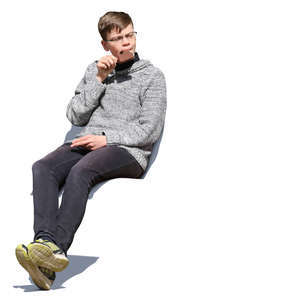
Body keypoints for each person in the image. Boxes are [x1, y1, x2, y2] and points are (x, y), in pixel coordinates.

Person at [15, 11, 167, 290]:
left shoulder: (152, 76)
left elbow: (149, 130)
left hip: (128, 151)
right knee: (43, 167)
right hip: (90, 143)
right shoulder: (94, 70)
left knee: (81, 170)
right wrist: (98, 79)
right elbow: (75, 116)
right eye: (118, 38)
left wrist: (106, 138)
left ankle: (55, 249)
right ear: (104, 44)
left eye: (130, 35)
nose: (126, 43)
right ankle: (44, 250)